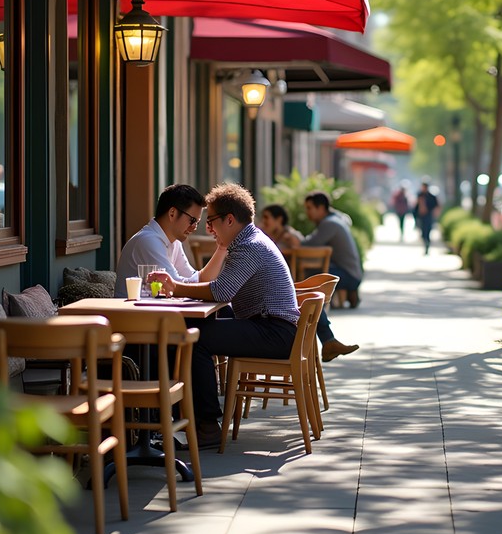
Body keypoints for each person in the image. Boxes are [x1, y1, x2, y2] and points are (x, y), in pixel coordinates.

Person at [147, 183, 303, 449]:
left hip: (274, 332)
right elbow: (222, 291)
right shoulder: (250, 240)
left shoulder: (248, 247)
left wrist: (174, 287)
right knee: (200, 327)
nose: (208, 229)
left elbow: (222, 291)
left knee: (196, 340)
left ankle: (206, 426)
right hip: (272, 326)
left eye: (212, 222)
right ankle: (182, 416)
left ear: (229, 220)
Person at [261, 203, 359, 360]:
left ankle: (327, 341)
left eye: (266, 218)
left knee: (311, 293)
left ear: (279, 220)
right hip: (275, 299)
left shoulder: (287, 236)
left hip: (280, 298)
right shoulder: (261, 237)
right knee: (310, 295)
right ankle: (328, 341)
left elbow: (304, 248)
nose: (262, 222)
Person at [114, 183, 225, 298]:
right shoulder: (148, 241)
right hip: (132, 313)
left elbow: (197, 281)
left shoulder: (174, 241)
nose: (194, 227)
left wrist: (222, 247)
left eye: (197, 223)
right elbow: (174, 287)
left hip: (153, 311)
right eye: (192, 220)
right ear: (172, 213)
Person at [302, 191, 364, 311]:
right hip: (352, 273)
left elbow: (309, 244)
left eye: (309, 208)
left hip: (349, 276)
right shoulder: (336, 219)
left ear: (320, 208)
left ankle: (313, 308)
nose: (307, 212)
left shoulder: (329, 224)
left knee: (310, 272)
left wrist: (294, 239)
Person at [414, 180, 440, 255]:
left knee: (427, 231)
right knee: (422, 232)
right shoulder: (419, 195)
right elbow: (416, 206)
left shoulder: (431, 196)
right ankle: (425, 243)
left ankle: (427, 245)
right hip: (420, 217)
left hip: (428, 216)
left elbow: (436, 206)